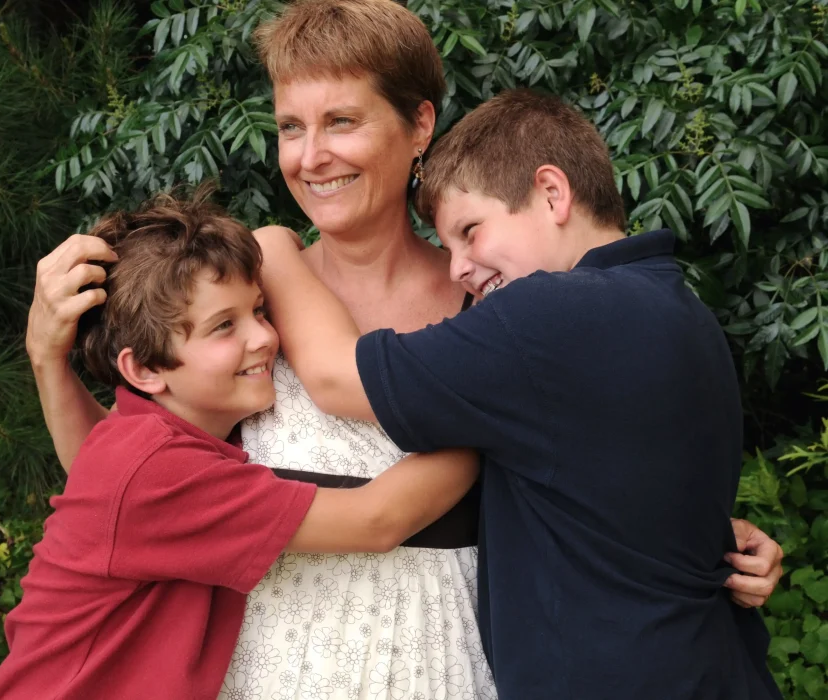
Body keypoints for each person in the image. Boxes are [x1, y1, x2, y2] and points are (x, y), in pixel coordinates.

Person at [23, 2, 782, 698]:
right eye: (291, 127)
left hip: (452, 664)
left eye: (342, 121)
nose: (311, 156)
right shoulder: (238, 307)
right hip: (273, 666)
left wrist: (702, 534)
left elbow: (593, 469)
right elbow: (129, 485)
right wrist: (47, 360)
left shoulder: (501, 305)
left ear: (419, 125)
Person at [250, 88, 783, 699]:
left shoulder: (552, 315)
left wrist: (271, 246)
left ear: (552, 193)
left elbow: (337, 376)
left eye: (471, 231)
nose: (458, 269)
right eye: (448, 246)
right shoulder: (679, 306)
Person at [0, 192, 478, 700]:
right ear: (145, 370)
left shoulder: (138, 443)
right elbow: (377, 520)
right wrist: (491, 415)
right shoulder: (158, 468)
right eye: (224, 325)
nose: (264, 337)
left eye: (260, 310)